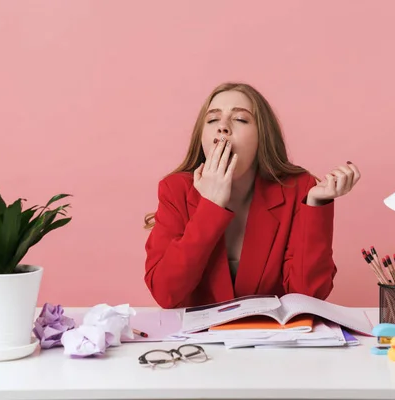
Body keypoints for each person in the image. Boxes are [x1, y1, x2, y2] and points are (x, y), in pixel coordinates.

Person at [143, 82, 360, 309]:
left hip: (273, 341)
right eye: (212, 120)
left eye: (240, 119)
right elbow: (165, 293)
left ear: (262, 137)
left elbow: (309, 295)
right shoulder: (175, 189)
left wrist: (316, 203)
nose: (223, 127)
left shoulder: (298, 188)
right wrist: (211, 205)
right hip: (198, 342)